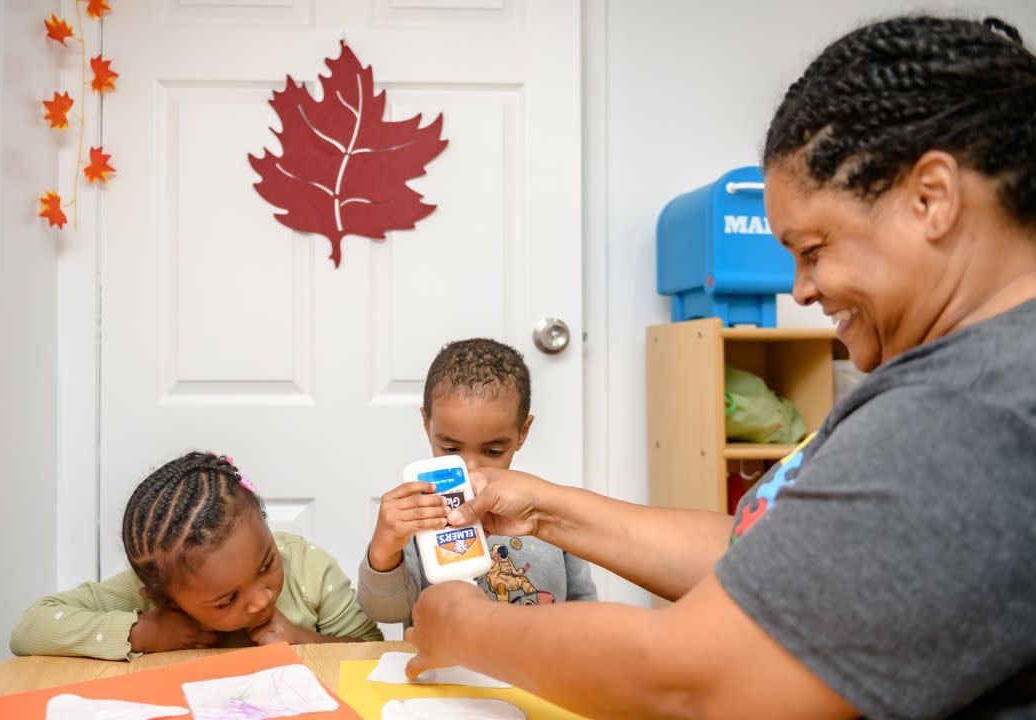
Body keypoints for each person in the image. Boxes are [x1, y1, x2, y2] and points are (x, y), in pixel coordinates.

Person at [403, 15, 1036, 720]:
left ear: (933, 198)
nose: (799, 289)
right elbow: (766, 556)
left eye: (814, 248)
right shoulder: (974, 378)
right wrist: (545, 509)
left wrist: (466, 626)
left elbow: (690, 681)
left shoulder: (973, 410)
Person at [10, 452, 382, 660]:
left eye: (266, 564)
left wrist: (304, 640)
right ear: (162, 598)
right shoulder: (154, 592)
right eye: (226, 600)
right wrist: (143, 632)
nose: (261, 599)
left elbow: (374, 653)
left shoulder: (307, 569)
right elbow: (30, 627)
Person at [357, 339, 596, 624]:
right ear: (427, 426)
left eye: (492, 451)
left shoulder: (546, 509)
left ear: (522, 432)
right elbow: (386, 613)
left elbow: (584, 609)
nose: (470, 469)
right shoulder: (420, 514)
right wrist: (384, 551)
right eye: (450, 449)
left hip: (538, 666)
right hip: (446, 667)